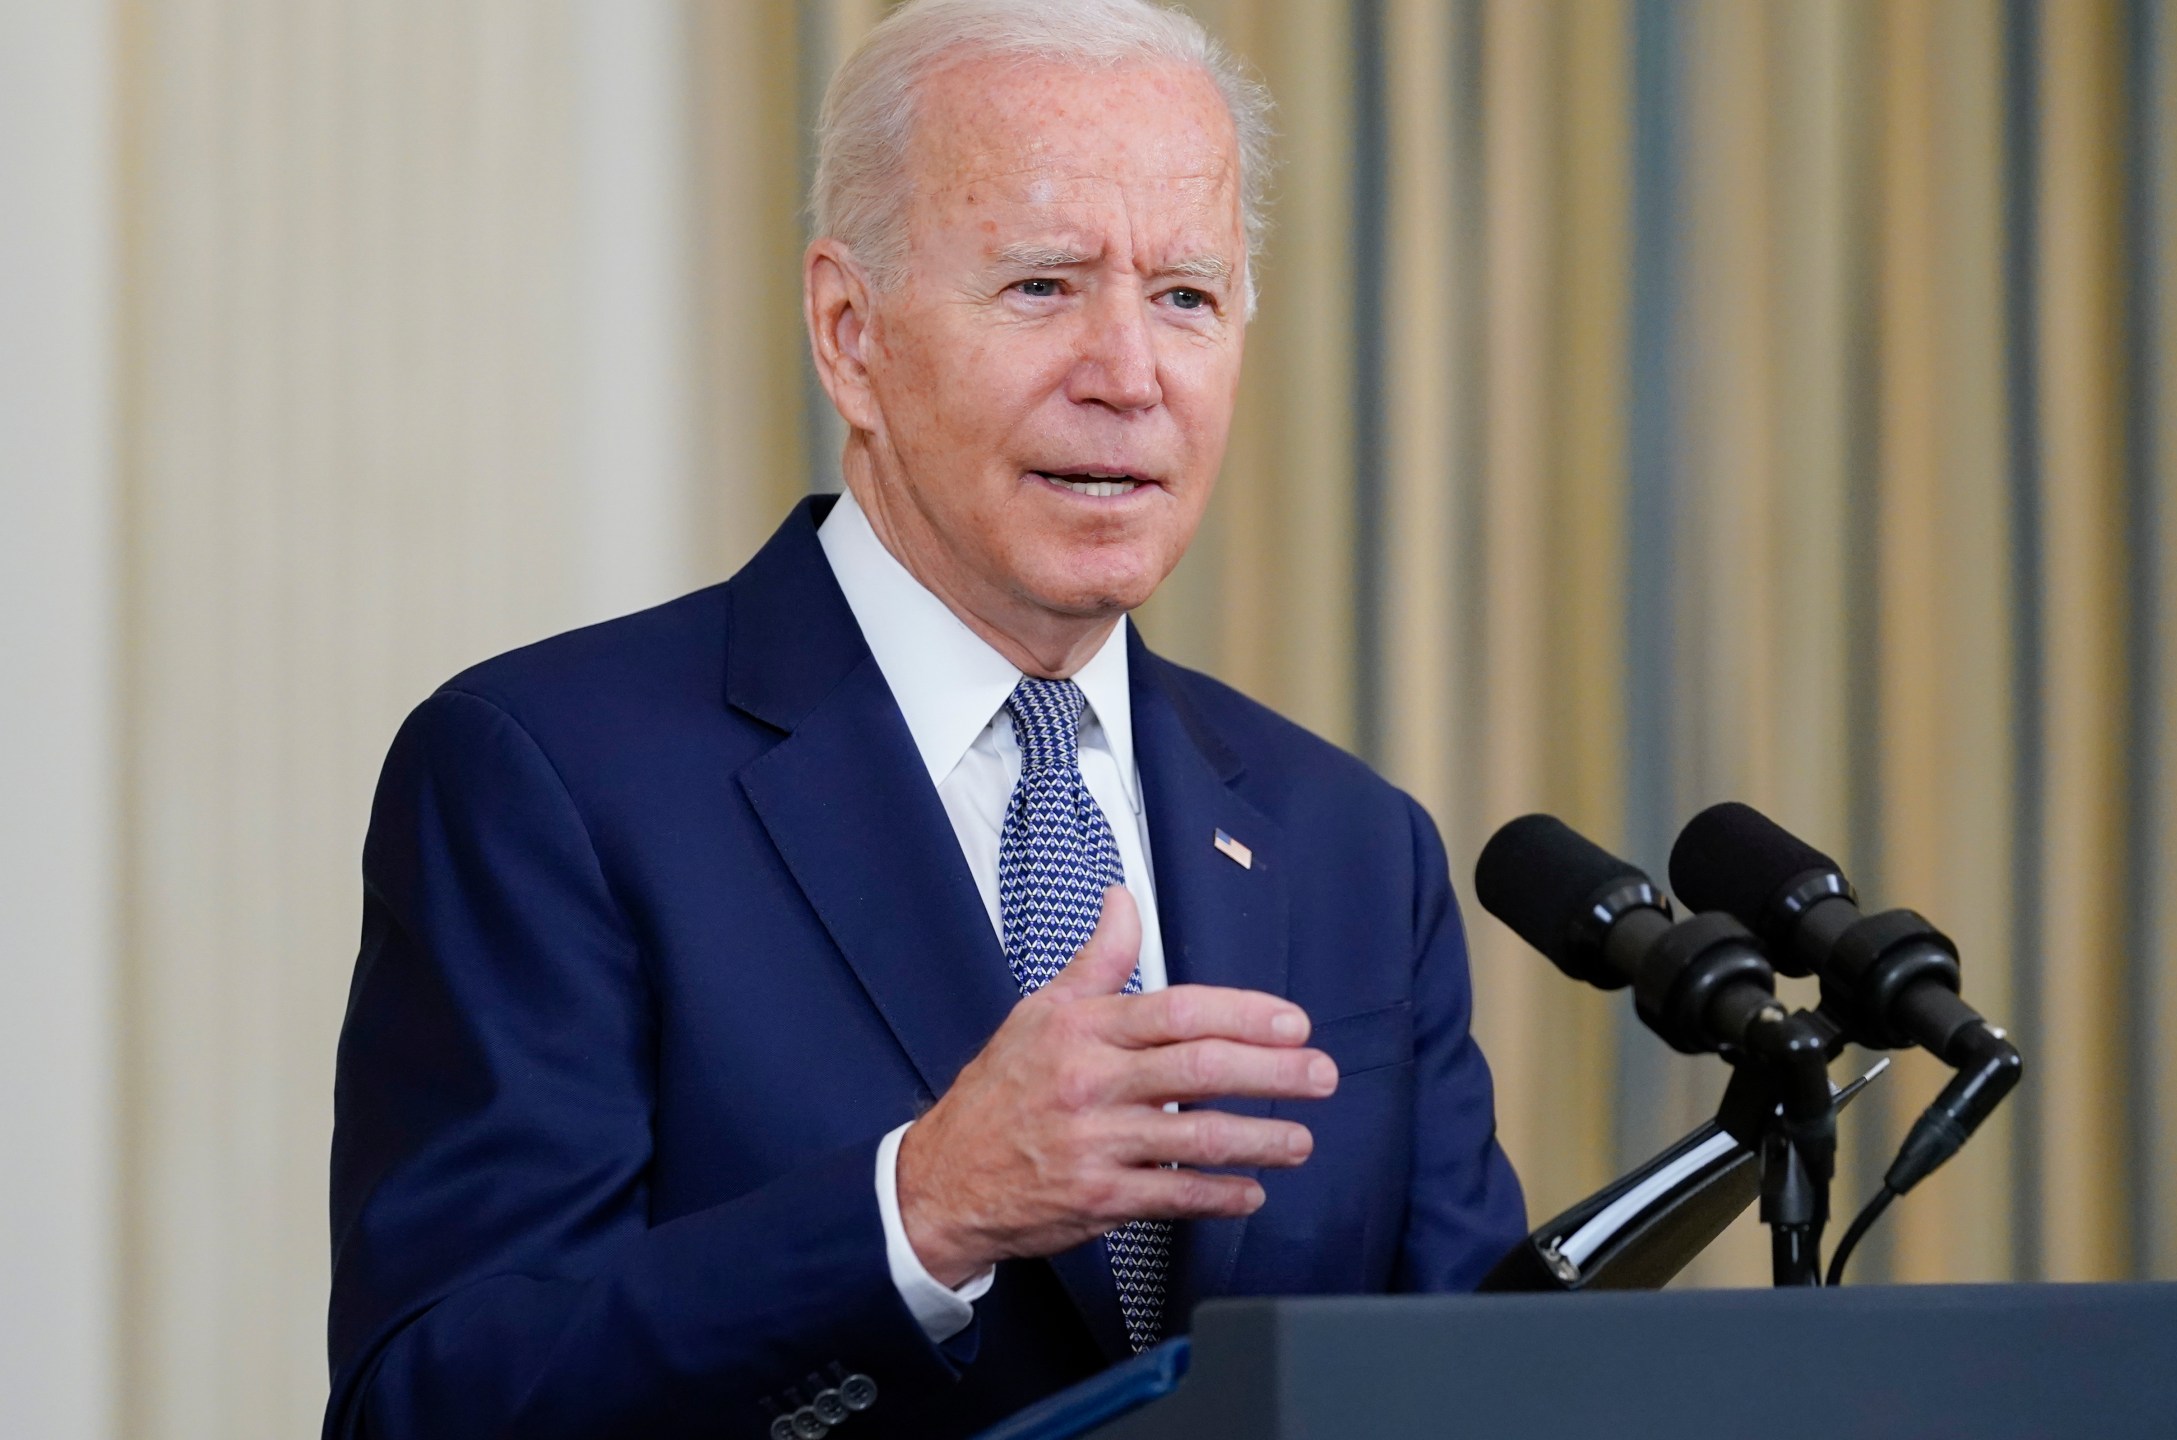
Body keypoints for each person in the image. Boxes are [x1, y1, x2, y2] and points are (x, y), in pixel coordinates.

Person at [323, 1, 1525, 1436]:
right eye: (1041, 286)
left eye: (1187, 297)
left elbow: (1468, 1382)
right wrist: (922, 1207)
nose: (1129, 374)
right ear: (850, 333)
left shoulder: (1350, 846)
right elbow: (433, 1402)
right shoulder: (552, 779)